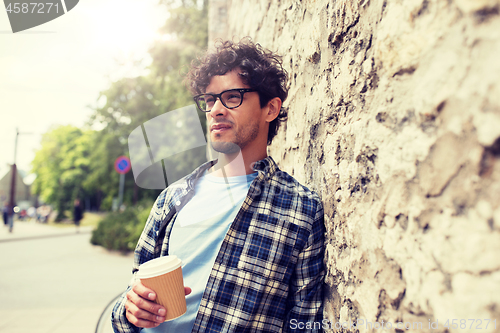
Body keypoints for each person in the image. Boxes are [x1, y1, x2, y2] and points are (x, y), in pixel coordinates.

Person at [112, 39, 325, 333]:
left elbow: (303, 323)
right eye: (210, 100)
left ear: (271, 109)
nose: (216, 110)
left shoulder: (301, 209)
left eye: (233, 97)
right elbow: (129, 301)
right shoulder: (172, 198)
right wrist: (130, 309)